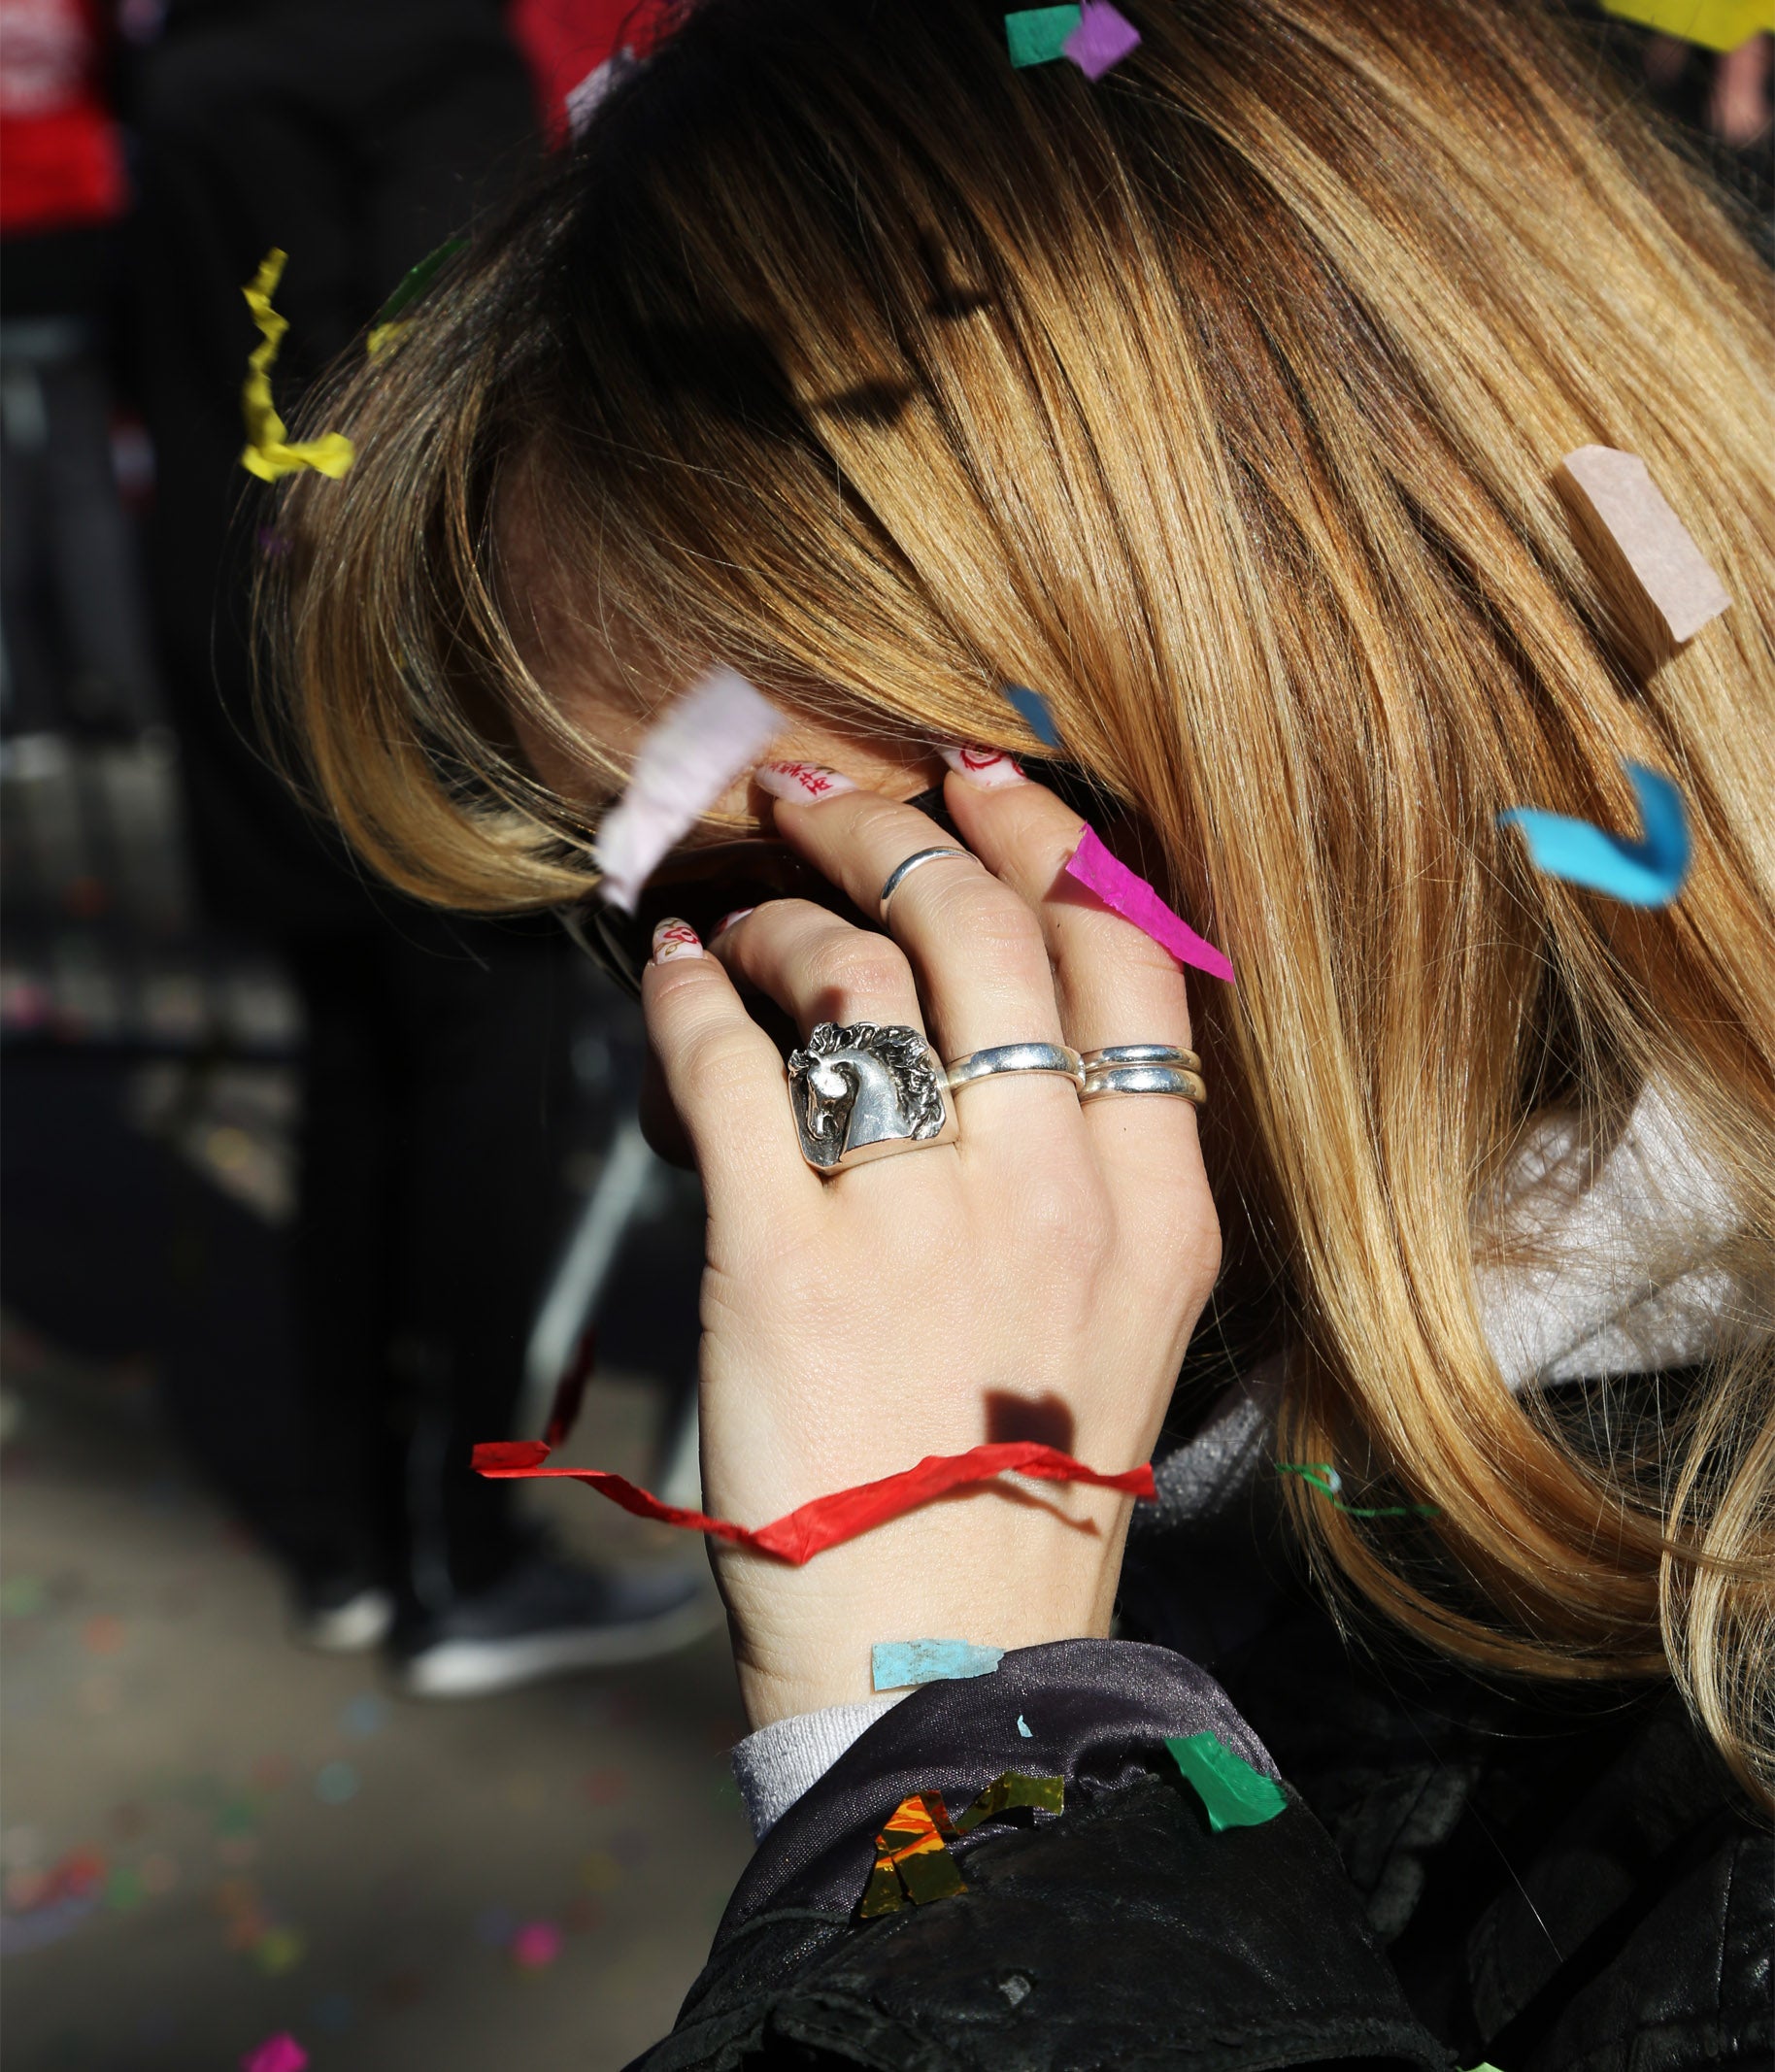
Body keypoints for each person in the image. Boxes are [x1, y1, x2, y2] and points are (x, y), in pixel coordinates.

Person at [266, 0, 1771, 2062]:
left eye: (823, 921)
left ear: (1372, 744)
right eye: (633, 936)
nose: (714, 1102)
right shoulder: (1262, 1448)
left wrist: (962, 1757)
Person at [127, 0, 707, 1692]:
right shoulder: (423, 58)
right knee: (474, 1077)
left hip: (222, 637)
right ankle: (462, 1552)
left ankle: (359, 1546)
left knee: (358, 1080)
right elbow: (439, 385)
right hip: (379, 655)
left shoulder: (199, 71)